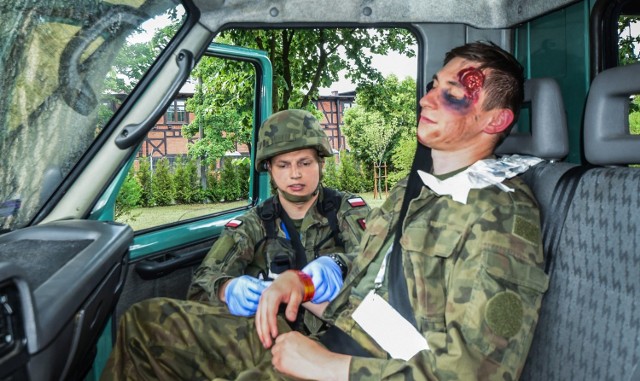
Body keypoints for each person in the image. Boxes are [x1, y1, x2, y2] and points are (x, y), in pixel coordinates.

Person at [101, 41, 549, 381]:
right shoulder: (414, 190)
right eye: (433, 86)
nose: (426, 99)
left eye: (452, 93)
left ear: (495, 121)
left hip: (364, 365)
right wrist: (306, 284)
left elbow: (474, 372)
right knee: (146, 322)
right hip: (338, 332)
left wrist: (331, 367)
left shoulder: (499, 216)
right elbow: (372, 287)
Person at [186, 109, 370, 333]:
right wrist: (226, 288)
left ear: (320, 164)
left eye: (304, 163)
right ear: (270, 170)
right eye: (283, 165)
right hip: (272, 340)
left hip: (341, 339)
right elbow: (201, 283)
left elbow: (382, 263)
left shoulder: (347, 210)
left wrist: (338, 264)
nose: (295, 174)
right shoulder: (254, 224)